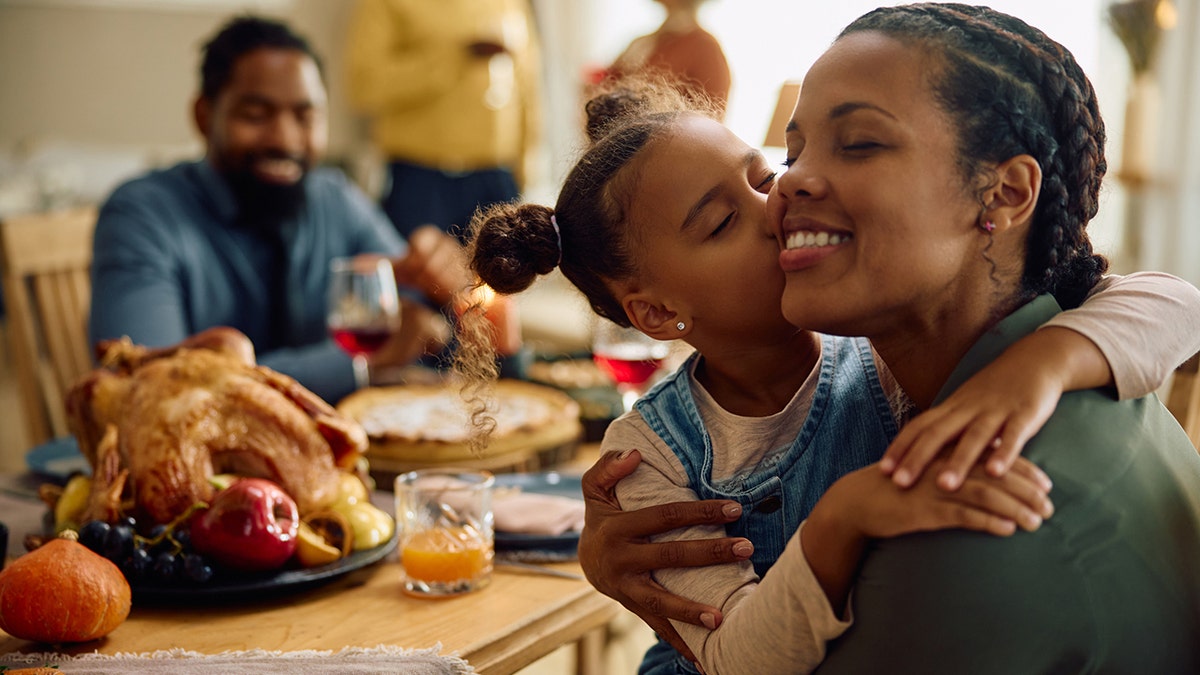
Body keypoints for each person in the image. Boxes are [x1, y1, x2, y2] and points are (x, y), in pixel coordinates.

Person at [457, 77, 1200, 673]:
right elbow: (736, 656)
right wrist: (846, 515)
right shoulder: (648, 458)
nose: (774, 205)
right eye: (720, 222)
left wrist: (1048, 358)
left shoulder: (879, 343)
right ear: (656, 313)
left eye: (762, 174)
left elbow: (1179, 305)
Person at [769, 4, 1200, 672]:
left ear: (1004, 193)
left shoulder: (977, 505)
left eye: (858, 143)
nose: (790, 177)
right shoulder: (1068, 364)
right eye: (793, 150)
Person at [89, 16, 473, 405]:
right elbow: (150, 390)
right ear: (204, 116)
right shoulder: (142, 215)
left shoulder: (335, 198)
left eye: (304, 117)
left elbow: (421, 321)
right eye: (255, 115)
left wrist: (441, 286)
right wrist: (358, 364)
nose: (285, 138)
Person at [344, 0, 543, 242]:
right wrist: (451, 59)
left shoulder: (511, 4)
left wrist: (526, 169)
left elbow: (529, 88)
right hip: (422, 181)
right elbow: (364, 86)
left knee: (498, 278)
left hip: (497, 178)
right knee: (421, 278)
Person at [602, 0, 731, 118]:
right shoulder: (644, 42)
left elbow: (714, 115)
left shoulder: (704, 46)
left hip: (668, 140)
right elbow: (607, 88)